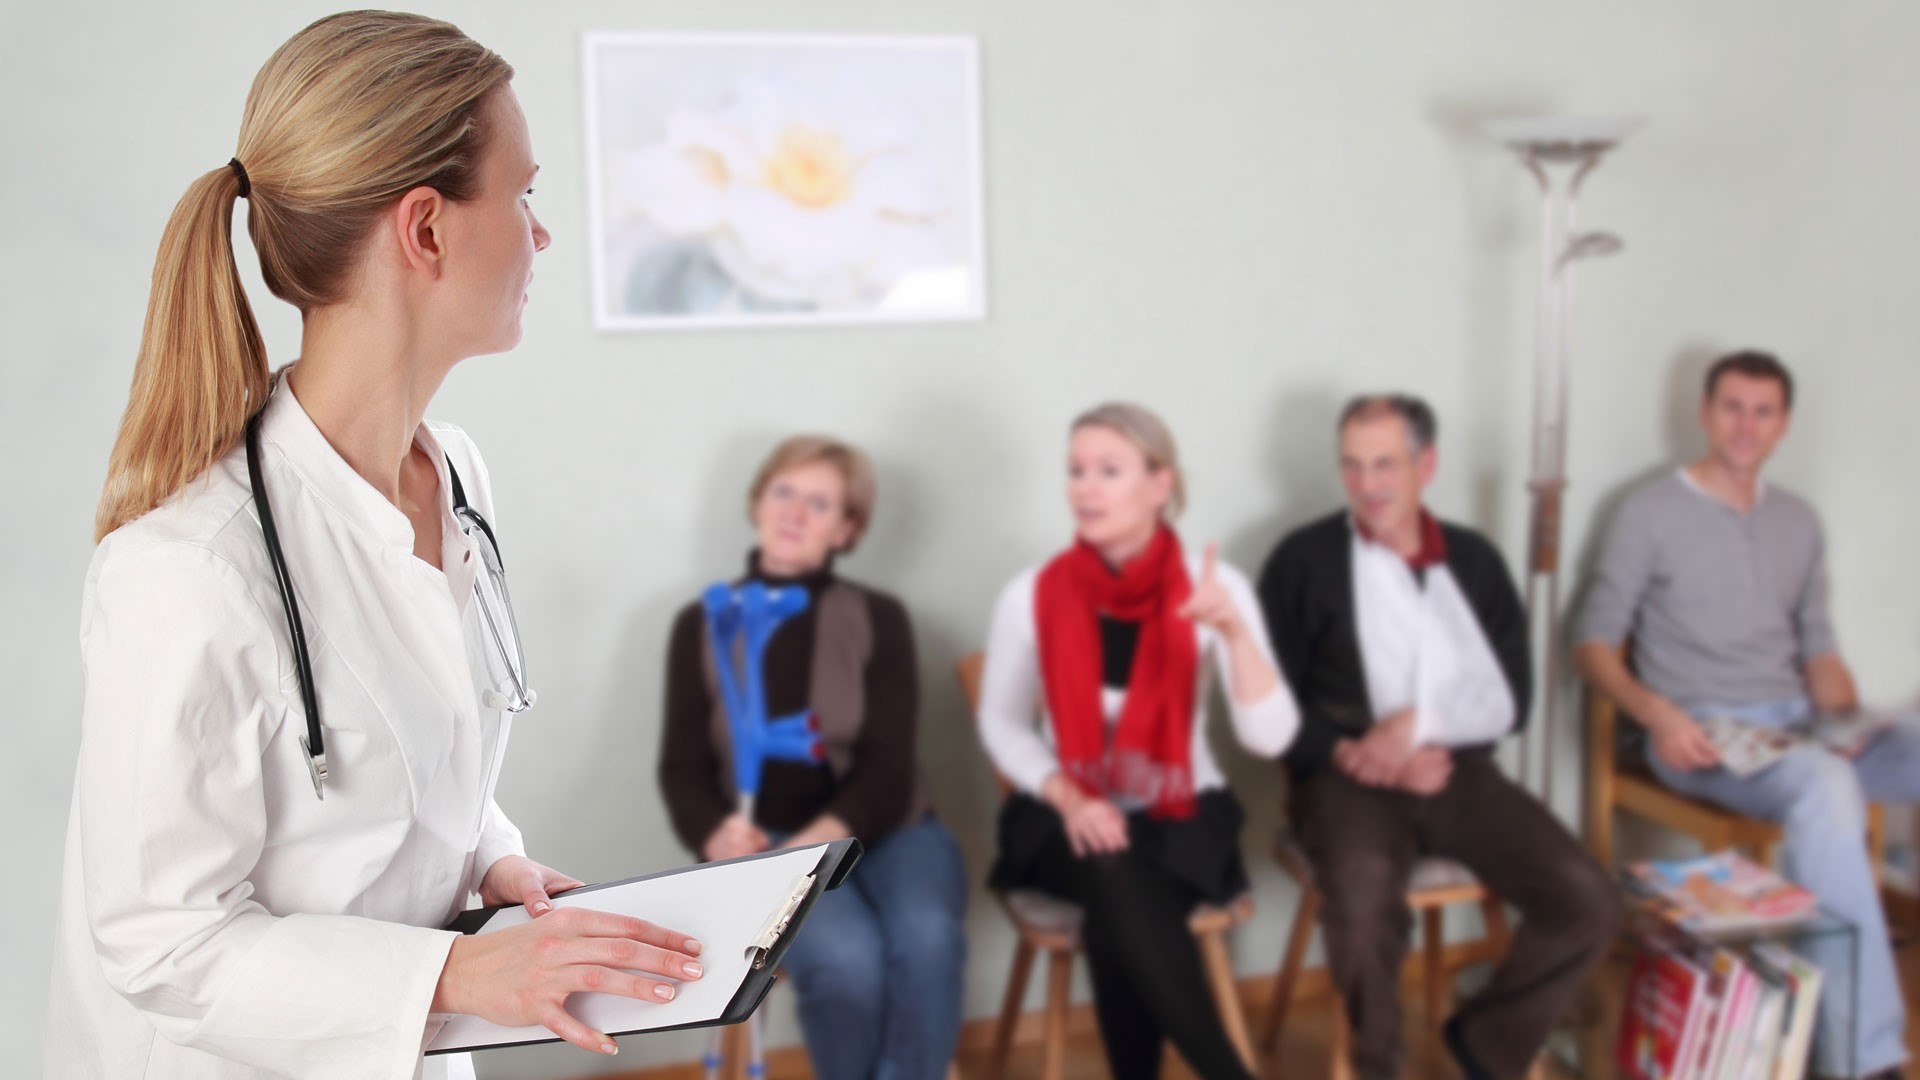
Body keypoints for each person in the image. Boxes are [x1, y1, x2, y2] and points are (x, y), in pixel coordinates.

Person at [44, 13, 702, 1078]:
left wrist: (492, 861)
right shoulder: (189, 568)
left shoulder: (455, 479)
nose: (540, 236)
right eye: (523, 194)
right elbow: (164, 943)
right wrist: (456, 975)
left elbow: (399, 759)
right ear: (427, 229)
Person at [1257, 394, 1620, 1080]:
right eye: (1352, 465)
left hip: (1458, 773)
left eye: (1386, 464)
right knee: (1363, 910)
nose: (1368, 484)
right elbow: (1268, 702)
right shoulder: (1303, 561)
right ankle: (1378, 1066)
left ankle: (1487, 1042)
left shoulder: (1473, 562)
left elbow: (1512, 701)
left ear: (1426, 465)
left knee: (1589, 900)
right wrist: (1354, 753)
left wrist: (1415, 727)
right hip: (1342, 775)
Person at [1574, 351, 1914, 1080]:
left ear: (1783, 424)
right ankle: (1867, 1059)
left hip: (1796, 725)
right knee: (1824, 787)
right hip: (1702, 731)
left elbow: (1818, 648)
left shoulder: (1799, 520)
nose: (1746, 425)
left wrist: (1849, 724)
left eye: (1763, 412)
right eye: (1732, 407)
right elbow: (1592, 644)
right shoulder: (1648, 512)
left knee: (1864, 758)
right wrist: (1657, 715)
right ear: (1705, 413)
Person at [975, 402, 1297, 1080]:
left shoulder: (1217, 589)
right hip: (1061, 813)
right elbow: (1002, 724)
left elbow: (1271, 739)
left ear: (1160, 484)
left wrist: (1237, 636)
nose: (1085, 488)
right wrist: (1071, 799)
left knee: (1119, 900)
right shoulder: (1031, 595)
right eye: (1076, 470)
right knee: (1110, 863)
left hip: (1183, 813)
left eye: (1109, 470)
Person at [659, 435, 968, 1080]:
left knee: (928, 939)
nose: (795, 513)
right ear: (758, 504)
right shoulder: (703, 624)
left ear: (846, 530)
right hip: (766, 842)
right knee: (848, 964)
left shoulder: (880, 618)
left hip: (894, 828)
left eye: (820, 504)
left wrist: (819, 842)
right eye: (784, 493)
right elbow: (682, 767)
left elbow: (888, 767)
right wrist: (714, 834)